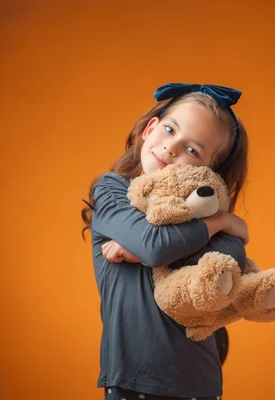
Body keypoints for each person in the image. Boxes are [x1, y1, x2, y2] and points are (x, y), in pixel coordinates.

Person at [81, 83, 251, 400]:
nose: (172, 148)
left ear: (206, 172)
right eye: (170, 130)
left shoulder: (197, 212)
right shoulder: (112, 191)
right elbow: (154, 246)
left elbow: (232, 257)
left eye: (193, 150)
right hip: (134, 379)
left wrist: (164, 245)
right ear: (150, 128)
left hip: (201, 382)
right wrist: (221, 222)